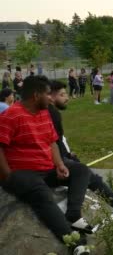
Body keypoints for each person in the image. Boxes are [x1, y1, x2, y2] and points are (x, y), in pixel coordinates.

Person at [0, 75, 92, 255]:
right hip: (22, 174)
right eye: (48, 94)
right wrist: (6, 176)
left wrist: (59, 164)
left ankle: (73, 214)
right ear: (36, 95)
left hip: (46, 169)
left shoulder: (44, 112)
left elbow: (51, 142)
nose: (51, 97)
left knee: (81, 170)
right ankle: (73, 242)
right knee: (40, 191)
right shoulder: (12, 115)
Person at [48, 80, 113, 219]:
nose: (67, 98)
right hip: (52, 164)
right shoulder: (51, 113)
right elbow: (52, 142)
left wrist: (68, 155)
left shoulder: (49, 112)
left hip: (59, 158)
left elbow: (57, 140)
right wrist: (64, 159)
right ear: (50, 96)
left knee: (92, 177)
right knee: (87, 175)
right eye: (62, 95)